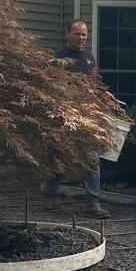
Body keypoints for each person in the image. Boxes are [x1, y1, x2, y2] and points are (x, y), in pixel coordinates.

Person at [41, 20, 109, 218]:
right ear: (67, 34)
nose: (81, 38)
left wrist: (105, 99)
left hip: (87, 117)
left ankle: (92, 203)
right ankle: (50, 198)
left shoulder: (89, 57)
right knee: (59, 159)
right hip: (62, 118)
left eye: (84, 35)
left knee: (91, 159)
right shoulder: (57, 58)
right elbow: (48, 89)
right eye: (77, 34)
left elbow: (96, 84)